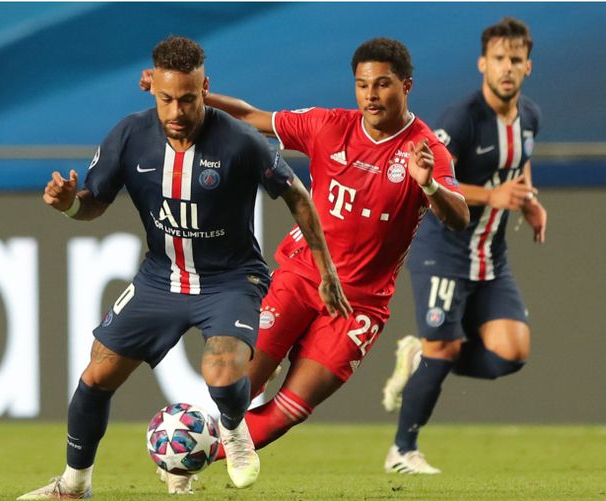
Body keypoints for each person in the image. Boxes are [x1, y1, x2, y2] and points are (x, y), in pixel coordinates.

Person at [17, 36, 349, 499]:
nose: (176, 112)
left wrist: (326, 268)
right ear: (151, 87)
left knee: (221, 372)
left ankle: (232, 430)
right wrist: (71, 204)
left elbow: (297, 195)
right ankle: (74, 484)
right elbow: (93, 204)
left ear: (205, 88)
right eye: (166, 99)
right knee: (96, 375)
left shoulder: (240, 142)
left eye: (188, 99)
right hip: (160, 277)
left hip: (231, 278)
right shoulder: (129, 136)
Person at [141, 37, 469, 468]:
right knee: (239, 383)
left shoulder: (425, 150)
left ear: (406, 85)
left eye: (383, 84)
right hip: (300, 275)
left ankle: (193, 458)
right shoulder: (328, 125)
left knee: (289, 410)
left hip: (360, 304)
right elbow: (249, 117)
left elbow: (459, 216)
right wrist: (200, 97)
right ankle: (189, 453)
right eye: (362, 85)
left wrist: (428, 184)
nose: (371, 95)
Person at [380, 17, 548, 474]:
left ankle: (423, 354)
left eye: (515, 60)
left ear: (527, 66)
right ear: (483, 64)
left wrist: (529, 201)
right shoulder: (463, 120)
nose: (507, 68)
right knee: (446, 349)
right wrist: (492, 196)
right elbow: (433, 183)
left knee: (511, 353)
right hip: (445, 251)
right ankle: (402, 451)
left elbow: (519, 167)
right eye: (499, 59)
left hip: (491, 256)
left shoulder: (529, 117)